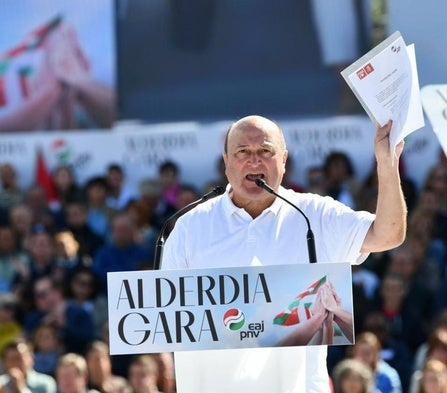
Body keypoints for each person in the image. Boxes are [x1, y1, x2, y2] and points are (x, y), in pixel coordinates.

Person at [161, 115, 407, 392]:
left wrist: (387, 164)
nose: (254, 161)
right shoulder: (190, 226)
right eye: (243, 152)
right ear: (227, 161)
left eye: (265, 151)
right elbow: (165, 318)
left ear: (284, 159)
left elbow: (389, 233)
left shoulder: (313, 215)